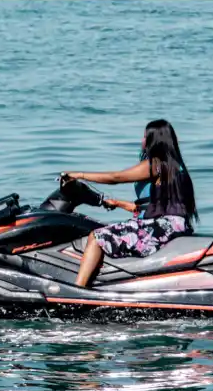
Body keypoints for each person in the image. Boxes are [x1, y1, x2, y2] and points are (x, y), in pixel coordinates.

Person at [62, 119, 198, 288]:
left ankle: (78, 289)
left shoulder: (156, 164)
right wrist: (118, 203)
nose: (142, 141)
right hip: (173, 225)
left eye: (144, 136)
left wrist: (78, 175)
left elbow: (116, 177)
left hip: (163, 227)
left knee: (96, 237)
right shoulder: (175, 167)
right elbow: (152, 206)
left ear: (155, 140)